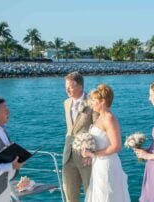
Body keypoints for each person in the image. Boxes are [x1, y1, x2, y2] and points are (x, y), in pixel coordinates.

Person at [82, 84, 130, 202]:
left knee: (107, 196)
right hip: (98, 164)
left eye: (94, 100)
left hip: (107, 165)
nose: (91, 102)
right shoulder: (100, 117)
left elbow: (116, 146)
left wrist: (93, 153)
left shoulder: (109, 118)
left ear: (103, 101)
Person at [62, 71, 98, 202]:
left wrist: (91, 152)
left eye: (70, 86)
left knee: (90, 192)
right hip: (68, 155)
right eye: (66, 86)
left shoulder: (92, 103)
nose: (67, 89)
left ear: (80, 87)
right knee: (69, 193)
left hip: (85, 156)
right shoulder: (66, 103)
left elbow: (97, 129)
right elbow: (70, 129)